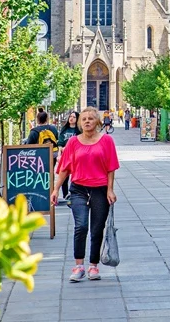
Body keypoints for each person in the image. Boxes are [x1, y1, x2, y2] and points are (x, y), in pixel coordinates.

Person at [51, 107, 120, 282]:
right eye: (84, 119)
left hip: (100, 189)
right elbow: (65, 168)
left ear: (97, 122)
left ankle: (93, 266)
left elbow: (111, 167)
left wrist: (110, 189)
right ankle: (79, 265)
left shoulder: (107, 141)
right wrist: (56, 189)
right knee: (81, 226)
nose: (87, 121)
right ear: (80, 123)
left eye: (90, 118)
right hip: (78, 189)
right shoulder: (73, 142)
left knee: (97, 229)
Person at [55, 111, 80, 204]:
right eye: (70, 116)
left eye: (74, 117)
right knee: (64, 176)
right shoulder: (64, 129)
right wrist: (59, 155)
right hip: (65, 156)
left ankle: (75, 194)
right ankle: (66, 195)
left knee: (75, 176)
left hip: (76, 156)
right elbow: (60, 144)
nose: (71, 118)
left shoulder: (79, 131)